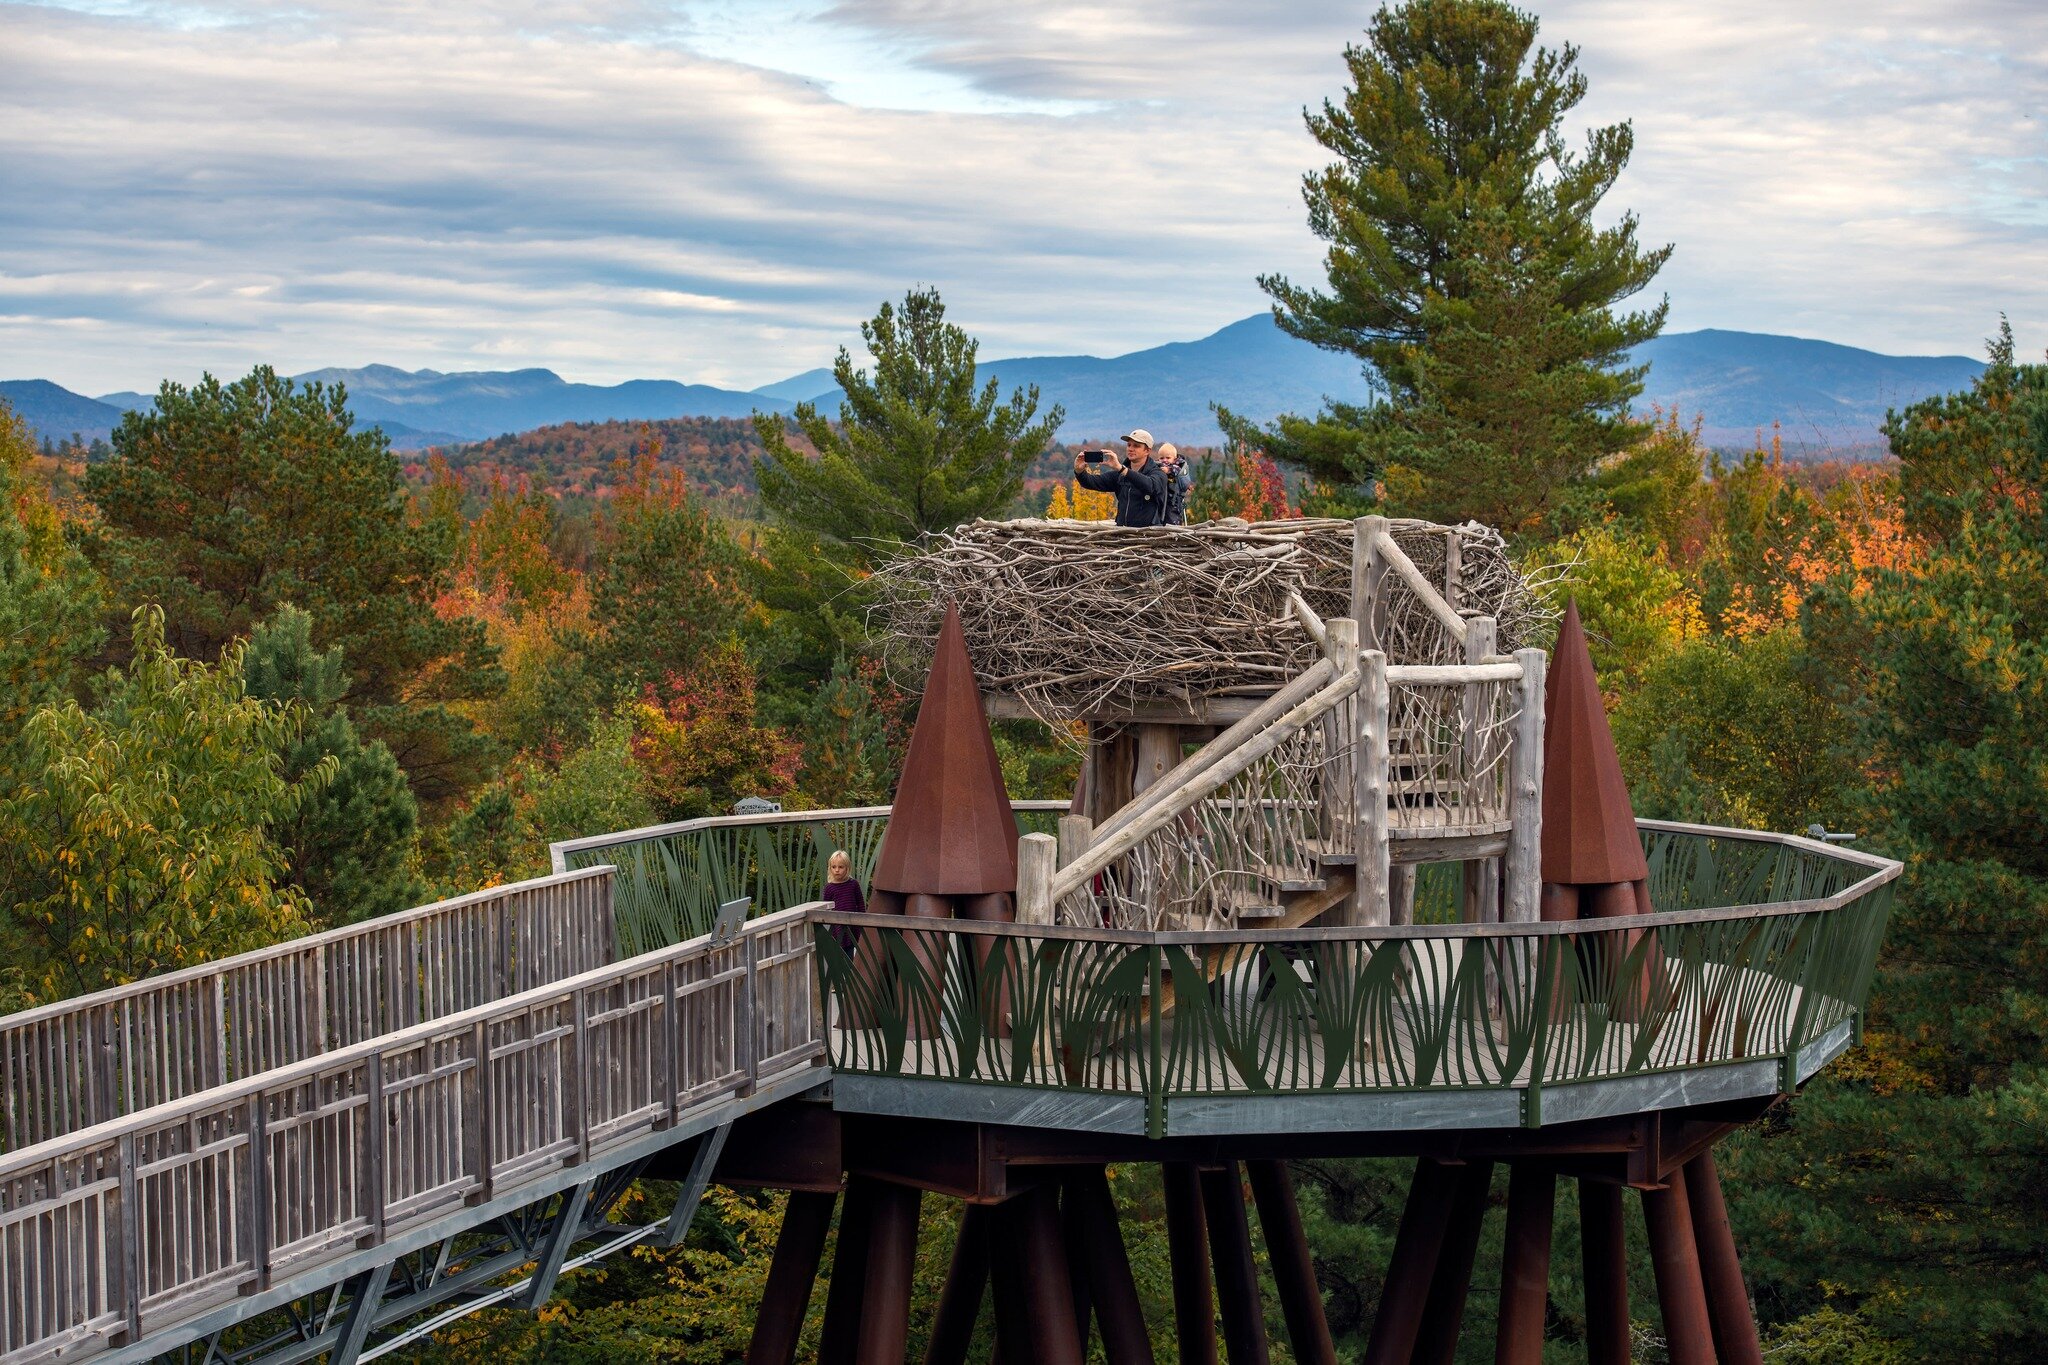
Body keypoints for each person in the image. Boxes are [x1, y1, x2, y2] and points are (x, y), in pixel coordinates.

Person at [1073, 428, 1168, 527]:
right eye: (1129, 445)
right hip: (1123, 535)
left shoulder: (1159, 474)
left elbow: (1150, 486)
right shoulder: (1120, 475)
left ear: (1147, 451)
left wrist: (1122, 469)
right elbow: (1092, 482)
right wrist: (1079, 471)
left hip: (1148, 536)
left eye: (1136, 446)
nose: (1131, 448)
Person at [822, 849, 866, 954]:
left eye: (840, 867)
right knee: (838, 954)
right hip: (836, 927)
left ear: (847, 868)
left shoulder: (853, 884)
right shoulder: (829, 888)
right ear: (830, 868)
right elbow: (826, 908)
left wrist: (862, 922)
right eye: (834, 867)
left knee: (852, 953)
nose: (837, 870)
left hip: (853, 926)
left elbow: (860, 903)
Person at [1156, 442, 1193, 525]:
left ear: (1174, 458)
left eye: (1168, 458)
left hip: (1173, 501)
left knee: (1172, 520)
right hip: (1161, 500)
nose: (1165, 460)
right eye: (1162, 458)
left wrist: (1168, 470)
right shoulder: (1157, 466)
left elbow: (1175, 470)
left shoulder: (1177, 466)